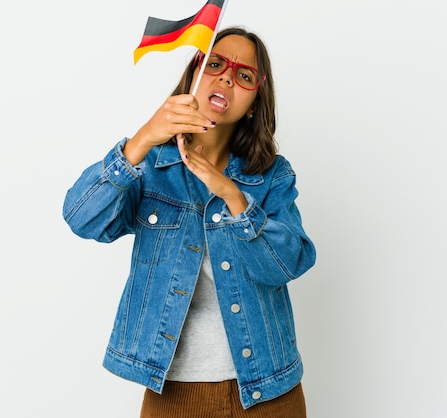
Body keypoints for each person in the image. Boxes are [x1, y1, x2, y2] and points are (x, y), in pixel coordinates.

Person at [62, 26, 316, 418]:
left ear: (253, 103)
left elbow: (289, 263)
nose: (227, 76)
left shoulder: (272, 176)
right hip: (173, 396)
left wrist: (234, 196)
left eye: (244, 75)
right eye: (215, 64)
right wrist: (142, 139)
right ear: (194, 77)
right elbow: (81, 218)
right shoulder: (149, 167)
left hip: (269, 391)